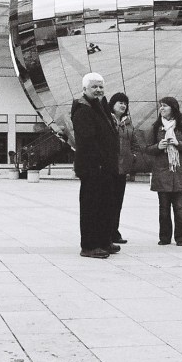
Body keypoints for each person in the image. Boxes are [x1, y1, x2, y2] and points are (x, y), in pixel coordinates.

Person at [71, 72, 120, 259]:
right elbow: (88, 141)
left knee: (105, 205)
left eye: (101, 86)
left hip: (105, 167)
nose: (98, 90)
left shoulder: (99, 106)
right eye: (94, 87)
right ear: (84, 89)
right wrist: (99, 162)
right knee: (91, 207)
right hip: (93, 168)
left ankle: (104, 241)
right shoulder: (83, 110)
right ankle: (89, 246)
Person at [145, 96, 182, 246]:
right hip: (162, 173)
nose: (162, 108)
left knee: (179, 207)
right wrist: (158, 147)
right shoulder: (155, 127)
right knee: (164, 208)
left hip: (179, 173)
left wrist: (178, 143)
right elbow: (147, 148)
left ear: (173, 108)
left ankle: (181, 237)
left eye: (165, 106)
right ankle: (165, 237)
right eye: (161, 106)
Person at [107, 92, 140, 245]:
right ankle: (106, 232)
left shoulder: (128, 123)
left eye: (125, 103)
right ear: (112, 104)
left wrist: (133, 156)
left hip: (123, 168)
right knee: (108, 201)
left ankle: (114, 232)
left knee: (118, 202)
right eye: (120, 102)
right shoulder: (107, 120)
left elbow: (134, 142)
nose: (123, 105)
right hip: (109, 167)